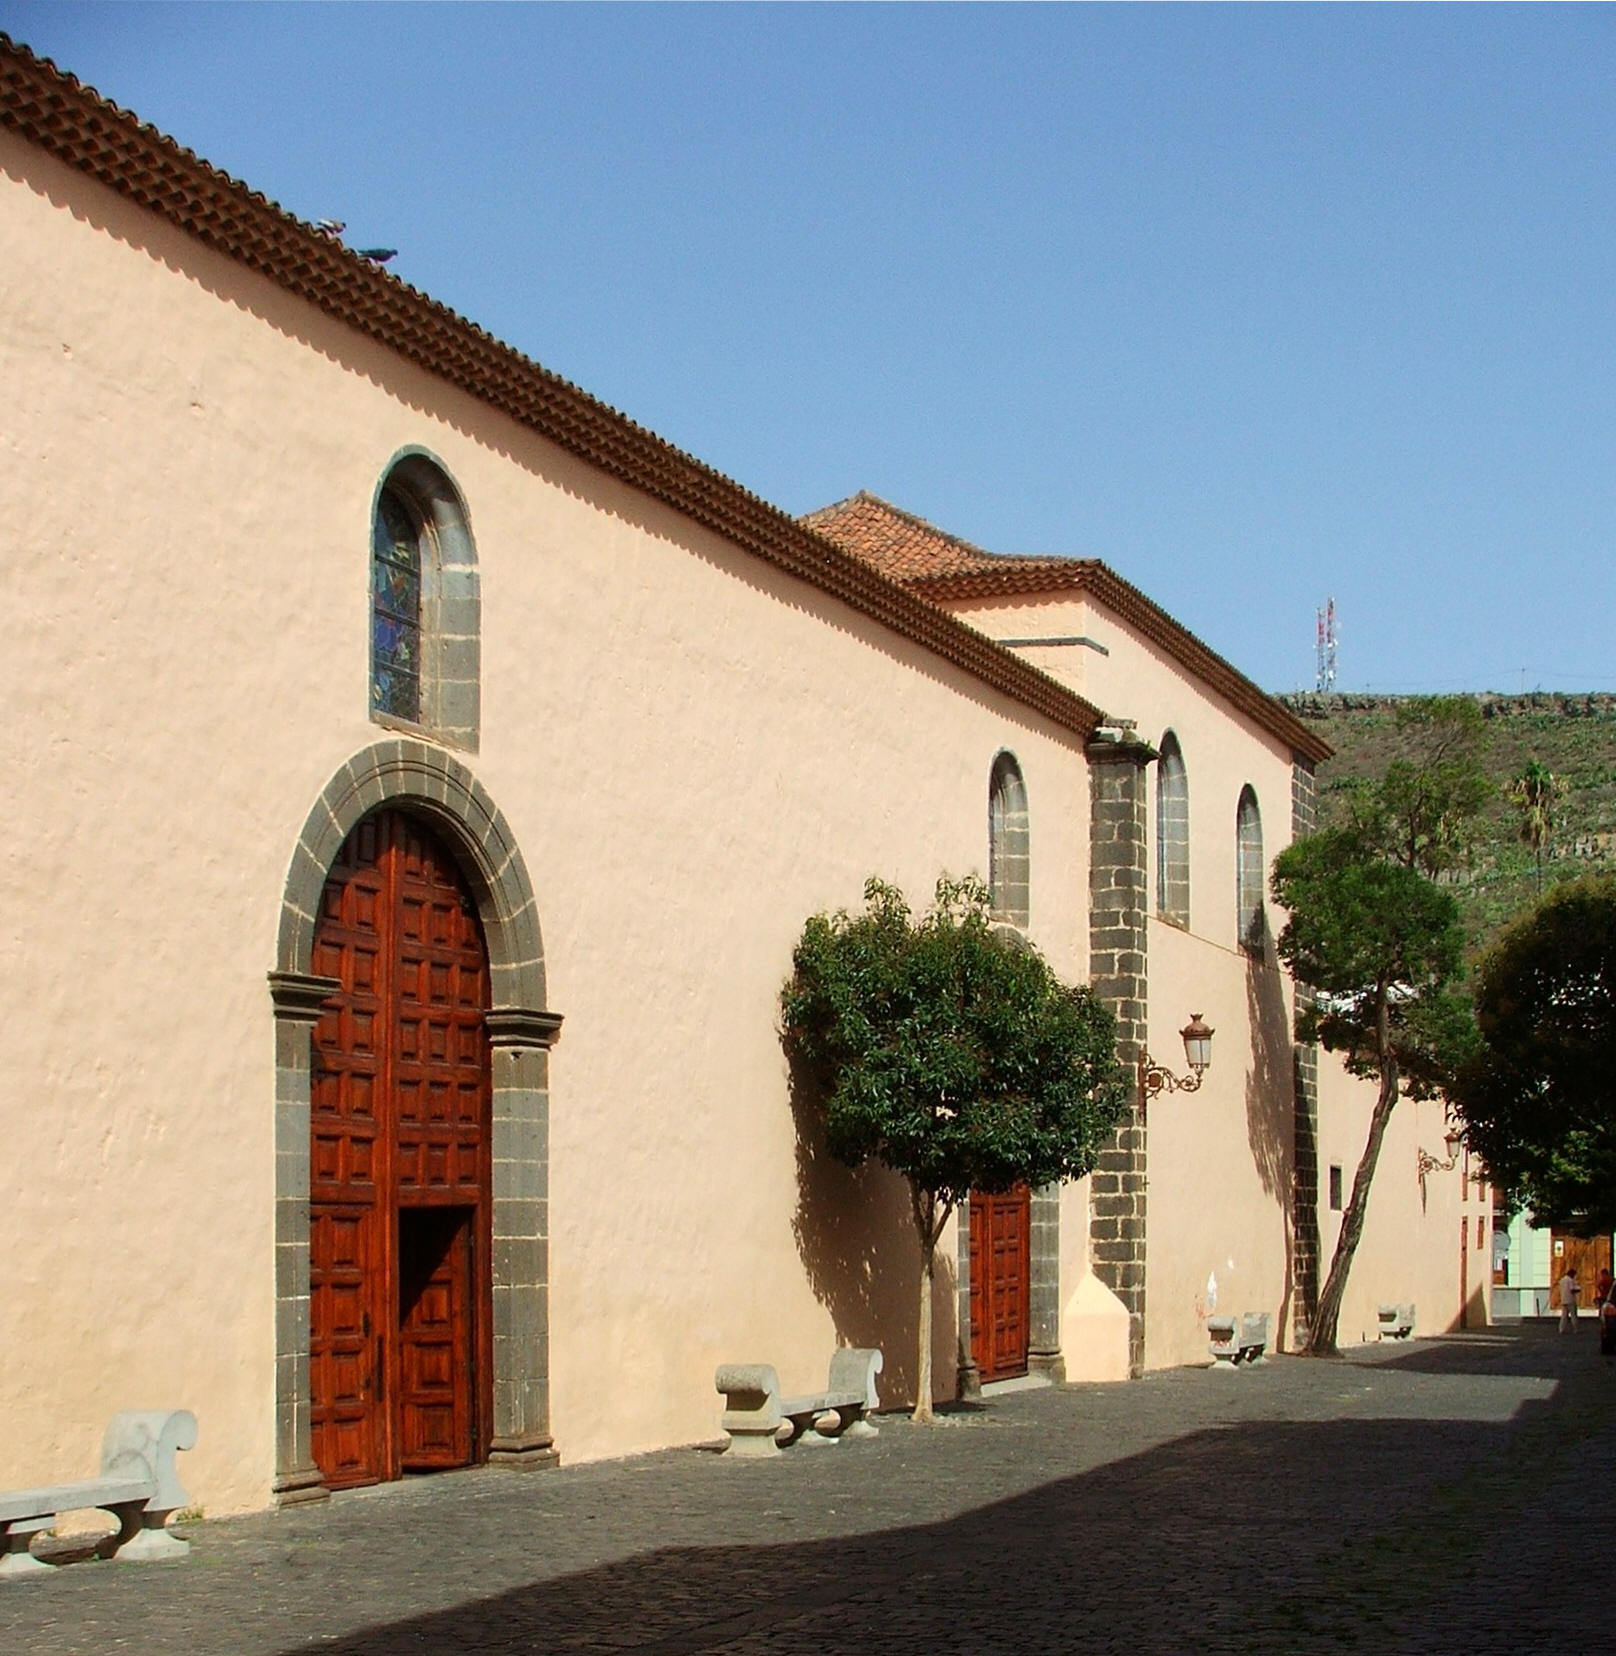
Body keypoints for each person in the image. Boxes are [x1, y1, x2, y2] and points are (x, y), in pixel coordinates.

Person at [1558, 1265, 1580, 1332]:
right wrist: (1578, 1290)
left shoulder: (1562, 1280)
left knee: (1564, 1316)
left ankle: (1561, 1329)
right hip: (1570, 1300)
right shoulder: (1570, 1280)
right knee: (1573, 1315)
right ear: (1572, 1274)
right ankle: (1575, 1329)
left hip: (1563, 1299)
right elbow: (1572, 1290)